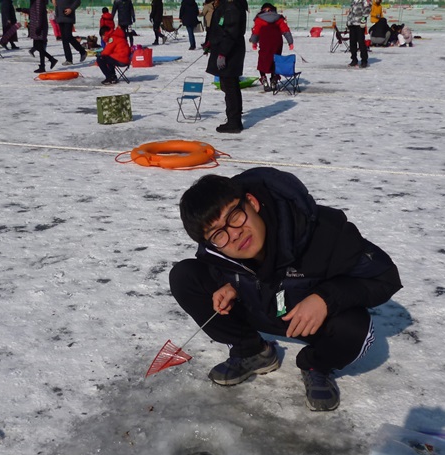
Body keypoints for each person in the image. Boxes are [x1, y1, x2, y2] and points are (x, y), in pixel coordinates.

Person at [169, 168, 402, 411]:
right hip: (261, 307)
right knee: (184, 276)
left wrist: (325, 298)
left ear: (251, 202)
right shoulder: (219, 253)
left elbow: (385, 278)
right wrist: (230, 284)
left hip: (308, 319)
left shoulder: (322, 231)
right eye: (219, 234)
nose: (235, 234)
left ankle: (316, 366)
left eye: (235, 216)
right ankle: (252, 351)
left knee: (356, 328)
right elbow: (218, 267)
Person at [205, 0, 248, 134]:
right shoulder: (228, 5)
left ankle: (234, 121)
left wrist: (223, 53)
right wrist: (210, 43)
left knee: (230, 86)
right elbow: (219, 28)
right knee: (228, 85)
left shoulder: (231, 6)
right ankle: (233, 119)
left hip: (230, 52)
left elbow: (230, 31)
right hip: (227, 50)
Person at [250, 3, 293, 92]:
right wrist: (290, 42)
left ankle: (263, 78)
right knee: (275, 60)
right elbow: (286, 31)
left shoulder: (259, 19)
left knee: (263, 60)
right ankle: (274, 80)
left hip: (265, 42)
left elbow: (256, 32)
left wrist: (254, 42)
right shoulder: (279, 18)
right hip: (277, 42)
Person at [29, 0, 58, 72]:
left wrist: (38, 27)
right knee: (39, 46)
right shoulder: (36, 1)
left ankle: (48, 62)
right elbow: (33, 11)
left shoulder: (38, 1)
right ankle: (46, 63)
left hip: (39, 27)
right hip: (38, 26)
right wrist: (22, 10)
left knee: (38, 46)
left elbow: (39, 14)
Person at [55, 0, 87, 64]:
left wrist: (71, 9)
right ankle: (69, 59)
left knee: (68, 36)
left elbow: (77, 1)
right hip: (60, 16)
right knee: (64, 39)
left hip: (68, 17)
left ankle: (82, 51)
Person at [347, 0, 368, 68]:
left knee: (361, 42)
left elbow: (367, 9)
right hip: (352, 23)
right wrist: (348, 21)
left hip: (359, 24)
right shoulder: (353, 1)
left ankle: (364, 60)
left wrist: (363, 20)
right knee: (352, 42)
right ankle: (354, 59)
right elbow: (351, 12)